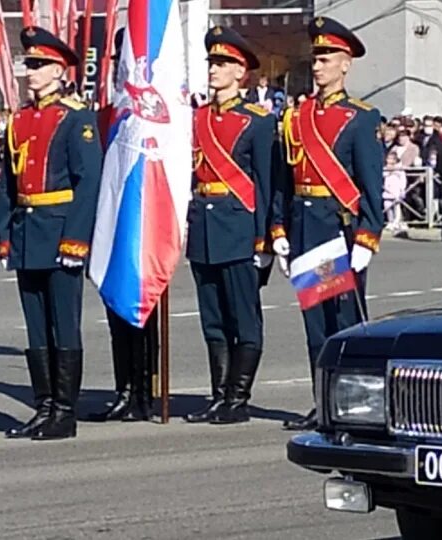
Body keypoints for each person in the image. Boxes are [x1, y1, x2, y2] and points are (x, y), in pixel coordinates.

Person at [274, 16, 384, 431]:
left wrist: (367, 236)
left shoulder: (360, 118)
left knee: (345, 324)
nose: (317, 65)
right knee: (315, 324)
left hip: (339, 230)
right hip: (304, 227)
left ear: (345, 64)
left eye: (327, 58)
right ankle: (322, 403)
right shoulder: (295, 115)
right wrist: (279, 231)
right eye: (316, 57)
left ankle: (354, 405)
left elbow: (370, 185)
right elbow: (285, 181)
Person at [0, 26, 102, 440]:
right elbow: (9, 182)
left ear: (60, 70)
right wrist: (6, 235)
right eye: (30, 63)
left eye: (39, 65)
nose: (31, 71)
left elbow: (87, 182)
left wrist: (76, 239)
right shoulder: (19, 119)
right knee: (36, 326)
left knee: (64, 323)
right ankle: (43, 405)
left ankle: (64, 410)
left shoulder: (76, 118)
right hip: (27, 231)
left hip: (60, 232)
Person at [183, 26, 277, 425]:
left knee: (243, 316)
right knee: (213, 318)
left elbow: (267, 185)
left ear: (241, 72)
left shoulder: (256, 122)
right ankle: (219, 394)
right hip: (204, 227)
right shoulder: (198, 117)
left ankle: (239, 398)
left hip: (239, 229)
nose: (214, 69)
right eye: (212, 62)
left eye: (222, 63)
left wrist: (266, 239)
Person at [87, 27, 159, 423]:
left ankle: (145, 392)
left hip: (145, 225)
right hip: (111, 224)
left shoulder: (155, 116)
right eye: (118, 62)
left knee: (142, 314)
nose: (121, 69)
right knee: (116, 311)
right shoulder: (106, 116)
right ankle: (124, 389)